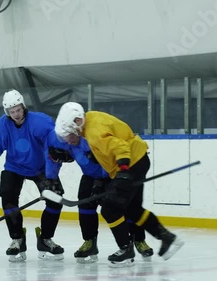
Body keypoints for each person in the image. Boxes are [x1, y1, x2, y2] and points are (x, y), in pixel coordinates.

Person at [54, 102, 184, 267]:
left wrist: (123, 171)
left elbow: (120, 147)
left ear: (76, 123)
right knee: (133, 209)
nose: (67, 139)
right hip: (138, 160)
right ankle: (167, 238)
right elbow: (111, 140)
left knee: (110, 209)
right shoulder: (91, 117)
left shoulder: (94, 133)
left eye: (68, 134)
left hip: (131, 164)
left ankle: (126, 250)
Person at [0, 89, 65, 262]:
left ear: (23, 107)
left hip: (41, 168)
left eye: (18, 110)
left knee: (56, 199)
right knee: (7, 197)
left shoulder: (41, 122)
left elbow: (53, 150)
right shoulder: (1, 126)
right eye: (12, 111)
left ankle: (45, 239)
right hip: (15, 167)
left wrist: (51, 175)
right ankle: (17, 239)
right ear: (7, 112)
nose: (16, 114)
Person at [45, 129, 154, 263]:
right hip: (90, 175)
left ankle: (138, 240)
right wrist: (51, 180)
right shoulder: (58, 142)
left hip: (114, 173)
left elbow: (107, 157)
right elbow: (52, 160)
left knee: (128, 207)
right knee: (85, 204)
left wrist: (100, 182)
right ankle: (89, 242)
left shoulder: (90, 139)